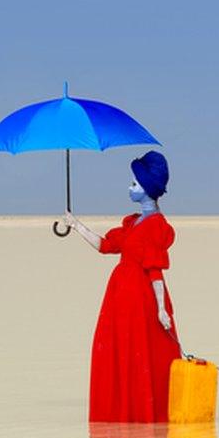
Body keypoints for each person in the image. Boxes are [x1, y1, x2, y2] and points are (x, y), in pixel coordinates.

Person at [65, 150, 180, 422]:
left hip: (141, 299)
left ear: (148, 189)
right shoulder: (132, 223)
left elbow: (155, 271)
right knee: (118, 350)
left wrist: (161, 309)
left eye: (135, 184)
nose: (130, 188)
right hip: (120, 298)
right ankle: (121, 411)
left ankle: (143, 412)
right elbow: (106, 245)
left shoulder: (155, 227)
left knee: (142, 351)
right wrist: (76, 225)